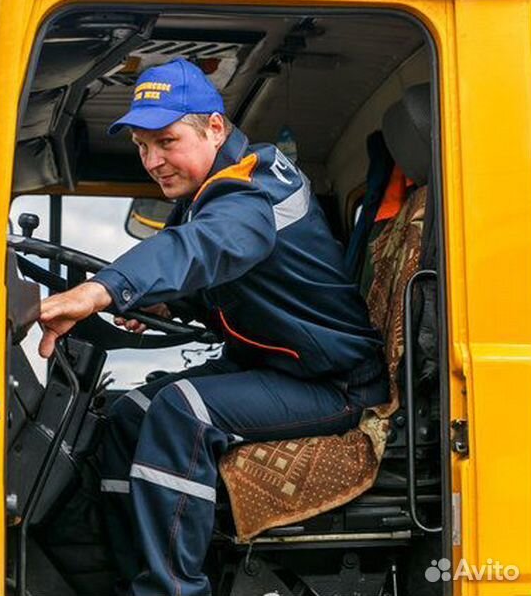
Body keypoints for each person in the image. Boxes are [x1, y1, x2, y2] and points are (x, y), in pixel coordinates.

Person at [38, 58, 389, 596]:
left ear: (215, 127)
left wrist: (103, 289)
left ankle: (174, 590)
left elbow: (205, 248)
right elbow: (233, 288)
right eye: (141, 146)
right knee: (129, 414)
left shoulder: (251, 188)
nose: (152, 160)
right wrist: (165, 306)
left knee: (184, 410)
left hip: (333, 383)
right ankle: (123, 576)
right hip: (277, 366)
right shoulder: (213, 194)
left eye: (166, 141)